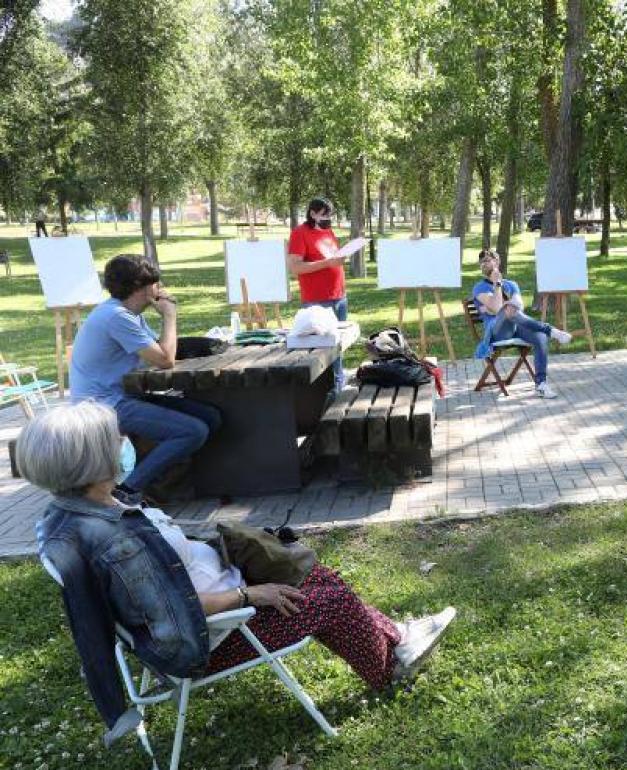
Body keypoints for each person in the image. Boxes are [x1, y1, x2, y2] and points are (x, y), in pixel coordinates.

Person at [21, 401, 456, 746]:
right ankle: (388, 673)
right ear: (91, 459)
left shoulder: (80, 510)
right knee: (329, 600)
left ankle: (396, 637)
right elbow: (173, 613)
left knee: (315, 574)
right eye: (113, 438)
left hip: (219, 604)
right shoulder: (115, 543)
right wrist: (252, 596)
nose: (124, 440)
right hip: (216, 637)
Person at [69, 254, 222, 504]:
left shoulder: (128, 314)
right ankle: (128, 490)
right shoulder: (116, 317)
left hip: (122, 395)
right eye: (156, 283)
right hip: (102, 406)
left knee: (211, 417)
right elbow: (165, 359)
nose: (160, 289)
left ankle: (182, 481)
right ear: (143, 287)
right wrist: (170, 316)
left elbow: (161, 349)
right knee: (193, 431)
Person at [472, 249, 573, 399]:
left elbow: (519, 307)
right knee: (508, 308)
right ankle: (550, 330)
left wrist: (497, 306)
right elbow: (496, 307)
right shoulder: (479, 288)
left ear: (497, 262)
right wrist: (497, 284)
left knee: (540, 337)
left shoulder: (512, 284)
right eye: (481, 262)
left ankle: (541, 385)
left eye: (487, 260)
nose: (483, 264)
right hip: (497, 331)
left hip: (517, 325)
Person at [287, 198, 350, 391]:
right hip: (317, 300)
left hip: (339, 296)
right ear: (312, 213)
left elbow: (332, 258)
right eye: (324, 214)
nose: (327, 218)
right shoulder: (300, 233)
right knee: (322, 350)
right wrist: (327, 264)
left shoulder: (328, 232)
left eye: (329, 214)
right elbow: (295, 267)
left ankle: (339, 384)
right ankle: (328, 392)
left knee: (338, 345)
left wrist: (341, 257)